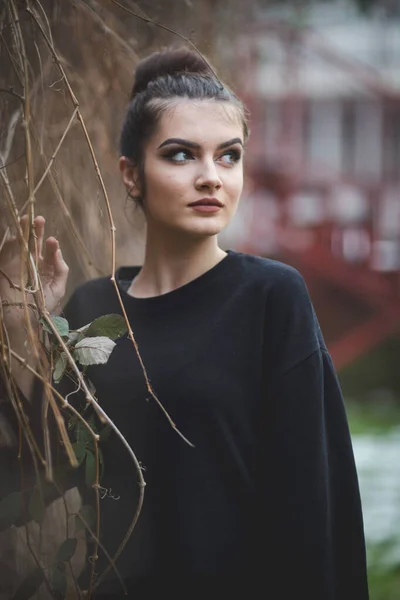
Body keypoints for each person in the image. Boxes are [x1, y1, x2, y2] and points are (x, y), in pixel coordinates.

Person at [0, 47, 369, 599]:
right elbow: (33, 481)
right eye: (180, 156)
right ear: (130, 174)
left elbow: (312, 502)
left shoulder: (271, 296)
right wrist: (19, 325)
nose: (210, 178)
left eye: (229, 156)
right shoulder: (92, 311)